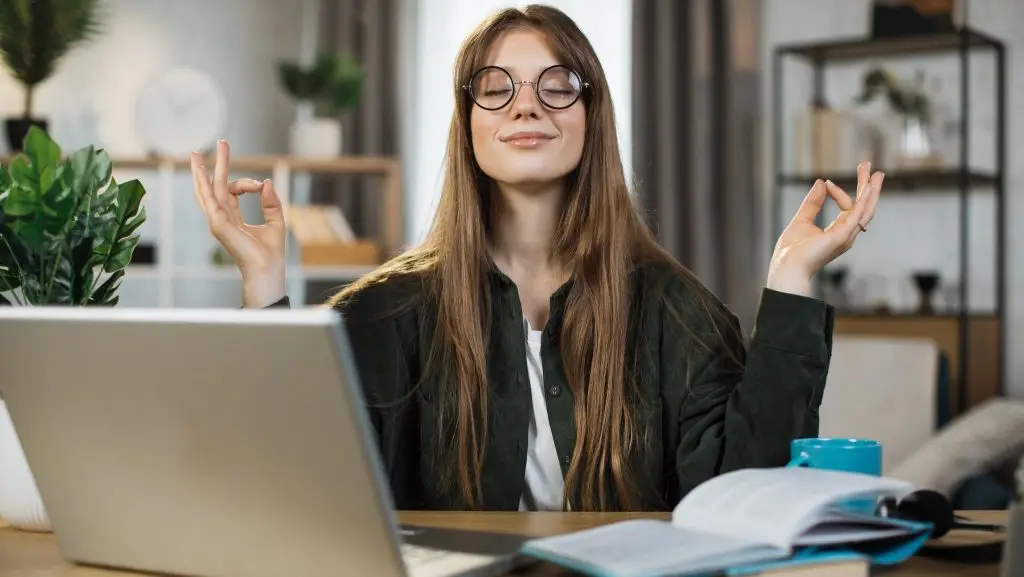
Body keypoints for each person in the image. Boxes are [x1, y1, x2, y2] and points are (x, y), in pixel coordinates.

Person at [190, 4, 883, 513]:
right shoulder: (380, 312)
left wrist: (791, 280)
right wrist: (263, 283)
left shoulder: (678, 310)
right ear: (469, 123)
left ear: (592, 114)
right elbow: (292, 486)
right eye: (497, 87)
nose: (526, 106)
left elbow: (746, 495)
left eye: (557, 85)